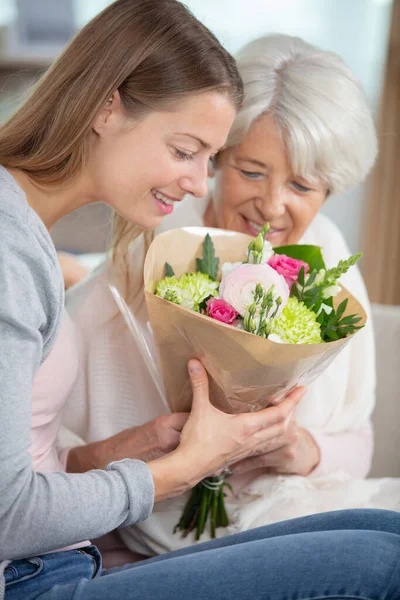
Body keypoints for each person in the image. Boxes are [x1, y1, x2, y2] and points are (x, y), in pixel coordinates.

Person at [4, 2, 398, 598]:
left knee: (383, 535)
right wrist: (179, 470)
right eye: (189, 151)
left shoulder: (25, 239)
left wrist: (136, 451)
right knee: (382, 563)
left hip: (60, 554)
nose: (198, 182)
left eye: (207, 159)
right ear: (107, 107)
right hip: (34, 572)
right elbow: (14, 513)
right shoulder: (24, 256)